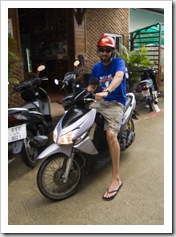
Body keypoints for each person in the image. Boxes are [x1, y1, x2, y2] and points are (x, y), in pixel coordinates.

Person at [87, 35, 127, 201]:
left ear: (112, 51)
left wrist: (107, 91)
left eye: (108, 50)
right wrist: (84, 92)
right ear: (98, 51)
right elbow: (92, 85)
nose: (104, 53)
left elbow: (118, 77)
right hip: (100, 102)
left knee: (111, 134)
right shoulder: (96, 67)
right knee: (79, 118)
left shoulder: (118, 62)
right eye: (102, 50)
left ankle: (116, 178)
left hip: (115, 102)